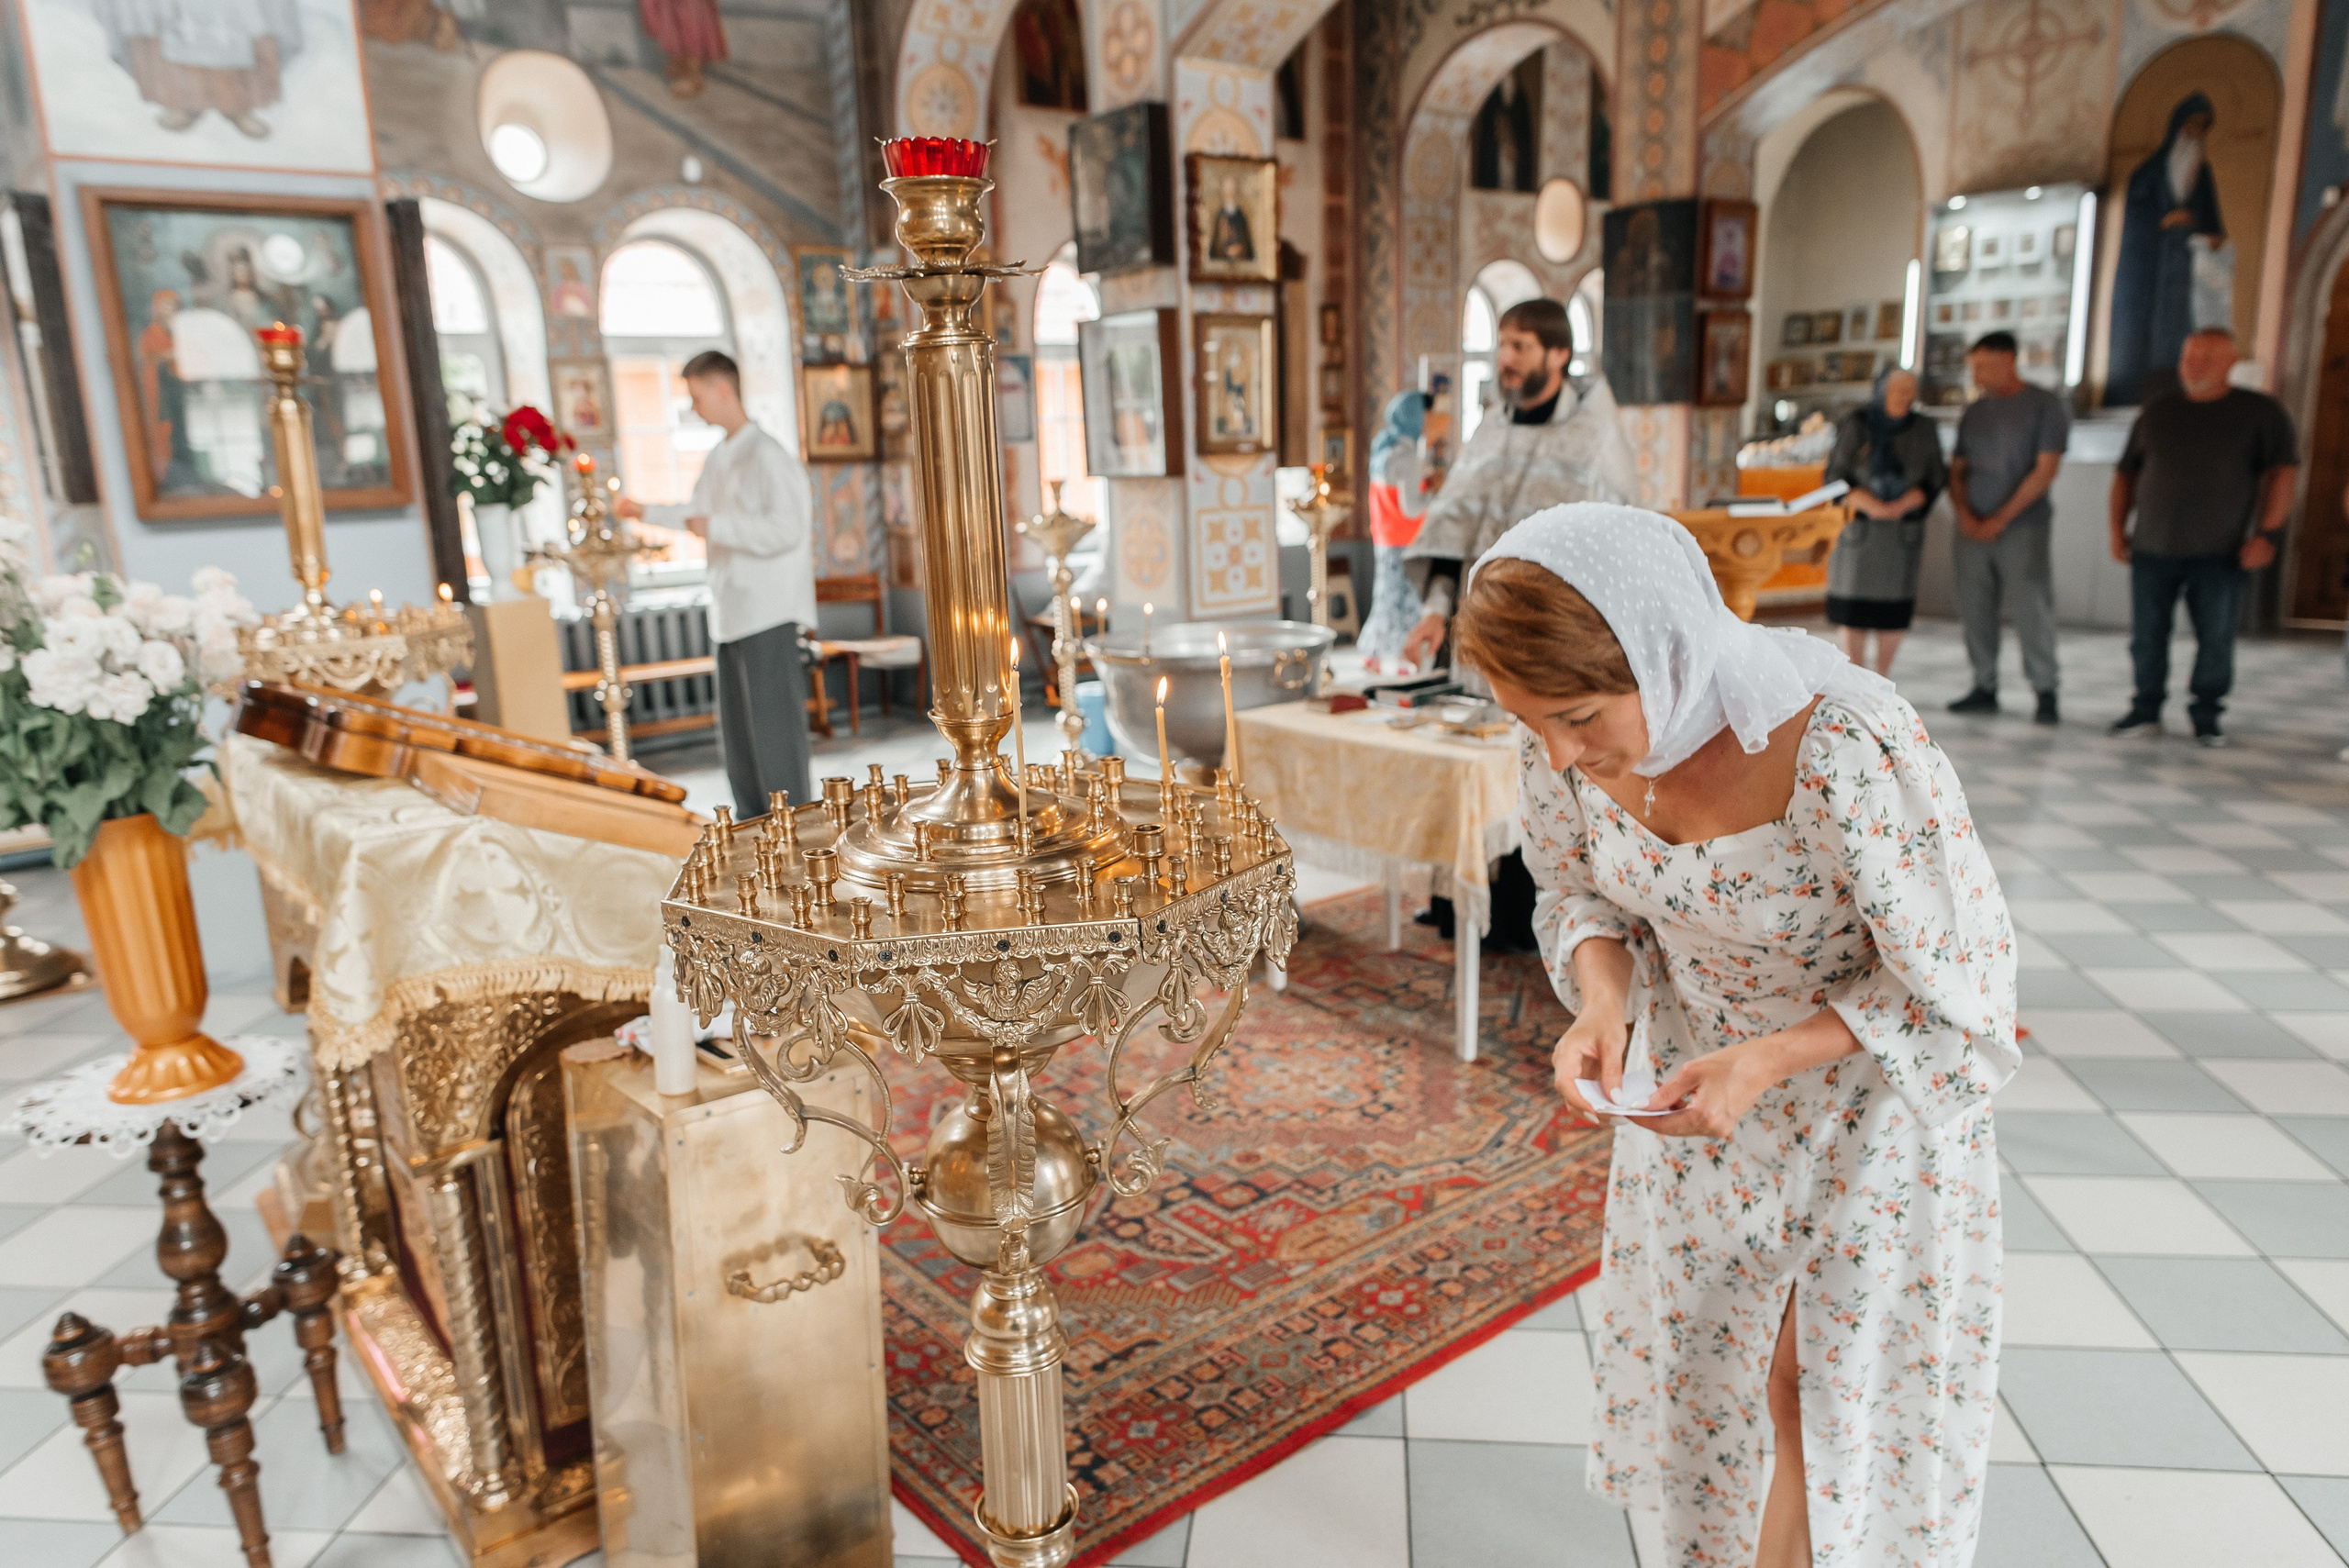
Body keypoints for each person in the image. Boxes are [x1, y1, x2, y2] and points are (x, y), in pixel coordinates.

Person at [1453, 503, 2016, 1568]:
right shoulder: (1557, 746)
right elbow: (1576, 892)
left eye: (1578, 716)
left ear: (1659, 651)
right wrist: (1602, 1002)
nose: (1559, 750)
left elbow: (1961, 976)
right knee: (1712, 1380)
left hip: (1864, 1103)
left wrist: (1766, 1058)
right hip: (1696, 1101)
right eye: (1530, 721)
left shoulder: (1842, 745)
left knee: (1815, 1390)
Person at [1399, 295, 1637, 947]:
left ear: (1558, 354)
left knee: (1538, 767)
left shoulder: (1594, 435)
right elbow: (1453, 536)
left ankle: (1524, 913)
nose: (1505, 358)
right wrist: (1434, 613)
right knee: (1467, 762)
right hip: (1476, 630)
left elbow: (1607, 547)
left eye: (1520, 346)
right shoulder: (1492, 427)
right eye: (1502, 343)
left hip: (1545, 636)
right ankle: (1457, 901)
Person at [614, 350, 815, 818]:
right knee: (742, 741)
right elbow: (696, 515)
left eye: (697, 395)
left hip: (769, 612)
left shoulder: (768, 455)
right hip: (731, 613)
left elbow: (788, 530)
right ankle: (752, 827)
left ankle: (795, 830)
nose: (694, 407)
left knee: (776, 739)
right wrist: (644, 512)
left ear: (723, 389)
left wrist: (719, 527)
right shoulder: (720, 456)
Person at [2108, 328, 2296, 747]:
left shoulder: (2260, 412)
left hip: (2221, 550)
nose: (2194, 365)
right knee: (2146, 636)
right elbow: (2126, 474)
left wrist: (2268, 533)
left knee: (2215, 636)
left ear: (2231, 363)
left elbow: (2284, 472)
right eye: (2189, 356)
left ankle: (2206, 714)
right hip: (2153, 545)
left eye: (2207, 357)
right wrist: (2117, 529)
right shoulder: (2158, 410)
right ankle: (2145, 709)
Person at [1947, 331, 2069, 722]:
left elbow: (2045, 470)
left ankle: (2045, 690)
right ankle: (1984, 685)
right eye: (1973, 367)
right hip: (1971, 528)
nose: (1977, 374)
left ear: (2009, 360)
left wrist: (2001, 518)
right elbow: (1958, 470)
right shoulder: (1974, 412)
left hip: (2023, 528)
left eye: (1984, 365)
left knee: (2032, 608)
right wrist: (1964, 515)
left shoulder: (2045, 405)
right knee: (1975, 608)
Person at [1822, 366, 1947, 676]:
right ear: (1882, 391)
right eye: (1898, 390)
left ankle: (1881, 678)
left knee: (1893, 611)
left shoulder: (1924, 428)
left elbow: (1935, 477)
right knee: (1854, 610)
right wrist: (1872, 506)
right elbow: (1835, 476)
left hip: (1901, 533)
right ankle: (1857, 677)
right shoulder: (1858, 424)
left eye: (1911, 390)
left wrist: (1904, 504)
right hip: (1860, 531)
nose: (1906, 397)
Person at [2109, 93, 2226, 406]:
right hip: (2150, 260)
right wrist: (2162, 220)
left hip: (2186, 261)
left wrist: (2201, 227)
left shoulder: (2202, 173)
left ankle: (2176, 384)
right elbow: (2136, 214)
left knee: (2179, 324)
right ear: (2178, 125)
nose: (2195, 132)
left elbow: (2212, 220)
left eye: (2202, 127)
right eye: (2191, 125)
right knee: (2146, 326)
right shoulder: (2149, 172)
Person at [1358, 391, 1431, 673]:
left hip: (1385, 536)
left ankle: (1374, 655)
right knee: (1408, 604)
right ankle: (1404, 658)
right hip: (1407, 538)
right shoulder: (1406, 455)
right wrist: (1437, 496)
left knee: (1386, 599)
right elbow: (1411, 508)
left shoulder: (1383, 449)